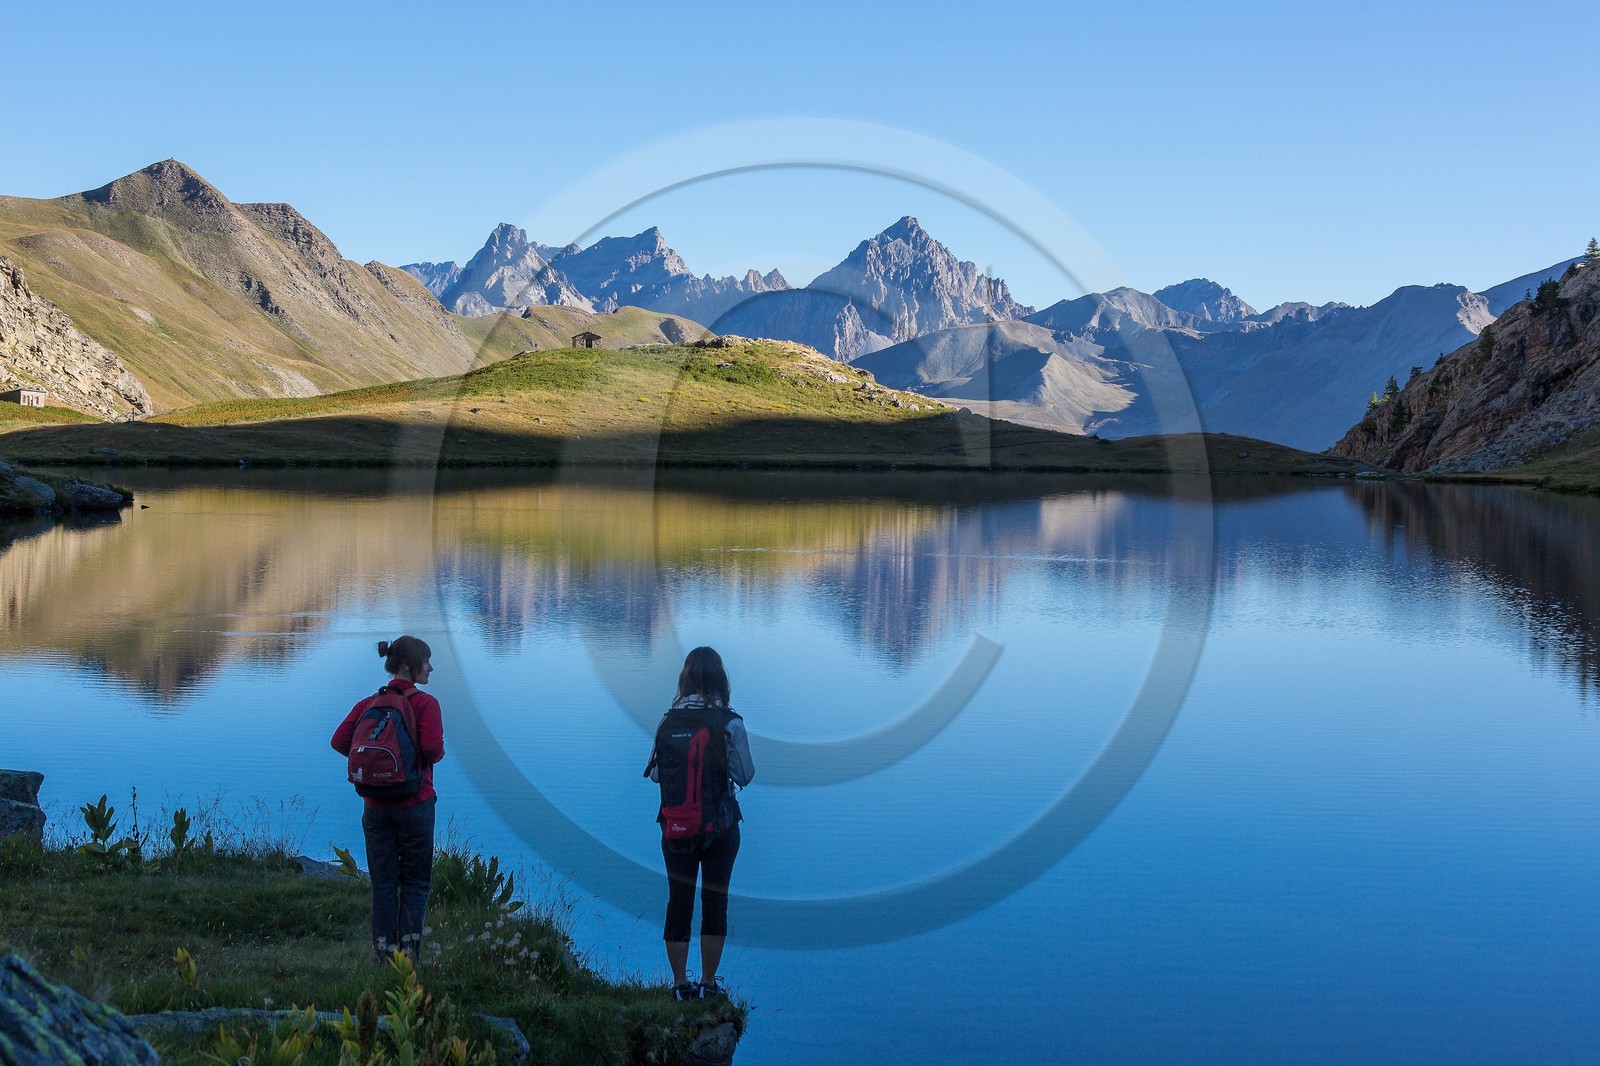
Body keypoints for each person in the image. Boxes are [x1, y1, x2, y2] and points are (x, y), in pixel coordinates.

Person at [644, 646, 754, 1001]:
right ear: (721, 679)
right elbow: (745, 775)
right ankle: (708, 983)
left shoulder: (668, 721)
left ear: (685, 679)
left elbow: (656, 774)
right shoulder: (730, 723)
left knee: (679, 903)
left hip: (675, 827)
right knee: (714, 903)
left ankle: (680, 985)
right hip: (720, 829)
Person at [331, 636, 444, 961]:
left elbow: (339, 741)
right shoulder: (425, 704)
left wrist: (376, 768)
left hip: (375, 809)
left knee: (382, 886)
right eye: (426, 661)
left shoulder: (369, 703)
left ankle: (383, 959)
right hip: (415, 805)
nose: (431, 668)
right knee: (415, 885)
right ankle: (407, 963)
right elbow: (432, 750)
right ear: (408, 666)